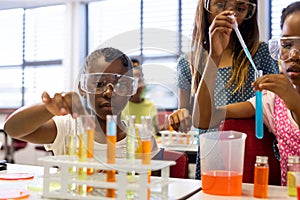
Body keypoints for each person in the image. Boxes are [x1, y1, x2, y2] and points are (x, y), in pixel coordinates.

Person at [193, 1, 300, 186]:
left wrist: (295, 103)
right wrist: (214, 56)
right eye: (287, 44)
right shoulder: (272, 102)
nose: (294, 55)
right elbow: (203, 119)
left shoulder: (284, 99)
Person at [169, 0, 279, 180]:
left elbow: (275, 106)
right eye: (220, 5)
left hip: (253, 156)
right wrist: (180, 116)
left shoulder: (261, 53)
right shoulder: (188, 62)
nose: (229, 13)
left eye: (240, 8)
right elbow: (188, 118)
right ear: (205, 9)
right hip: (211, 158)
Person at [4, 47, 159, 159]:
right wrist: (48, 109)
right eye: (98, 84)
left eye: (121, 85)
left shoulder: (142, 136)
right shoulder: (67, 129)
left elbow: (155, 185)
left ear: (131, 91)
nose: (109, 93)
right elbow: (12, 129)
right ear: (82, 89)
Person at [121, 62, 160, 134]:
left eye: (139, 81)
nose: (137, 86)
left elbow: (157, 131)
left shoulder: (151, 105)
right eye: (133, 82)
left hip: (151, 143)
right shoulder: (121, 106)